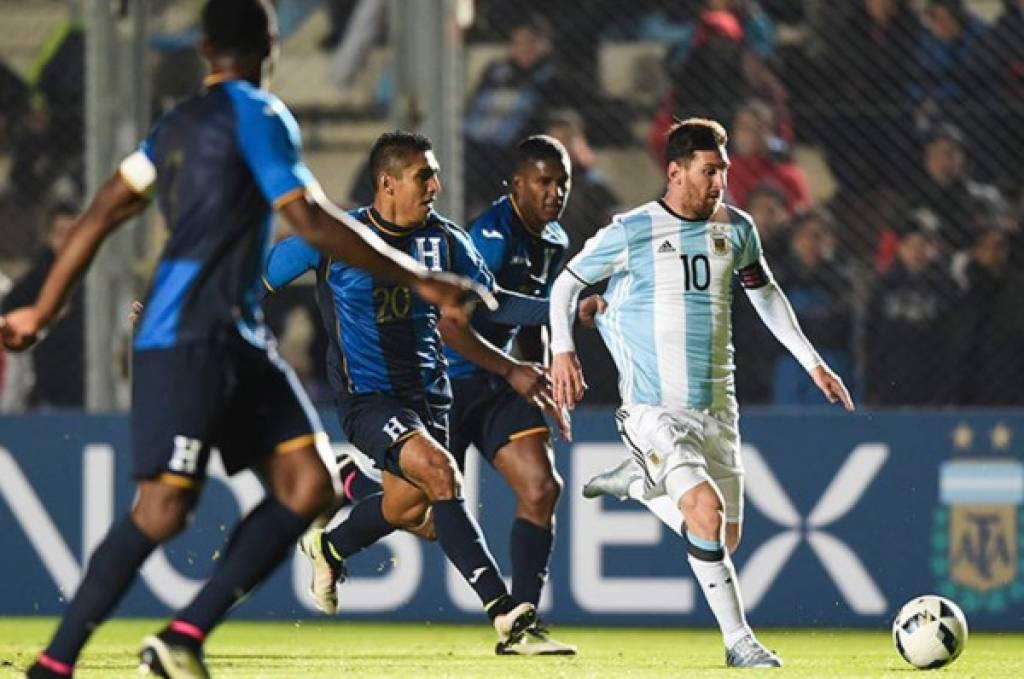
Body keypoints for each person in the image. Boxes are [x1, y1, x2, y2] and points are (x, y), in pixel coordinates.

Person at [5, 3, 490, 678]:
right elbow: (311, 220)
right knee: (164, 508)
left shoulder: (170, 127)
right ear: (271, 46)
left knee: (309, 484)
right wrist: (423, 279)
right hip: (187, 336)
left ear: (204, 47)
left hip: (232, 335)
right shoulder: (260, 115)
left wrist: (41, 308)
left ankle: (182, 636)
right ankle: (55, 663)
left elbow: (104, 209)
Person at [548, 118, 854, 669]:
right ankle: (740, 642)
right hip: (653, 408)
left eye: (724, 171)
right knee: (705, 514)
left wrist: (811, 362)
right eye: (709, 171)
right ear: (675, 171)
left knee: (722, 539)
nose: (720, 181)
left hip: (719, 406)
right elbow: (567, 284)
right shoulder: (632, 229)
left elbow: (765, 294)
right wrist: (562, 349)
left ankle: (643, 485)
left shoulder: (736, 229)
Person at [265, 131, 568, 655]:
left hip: (433, 398)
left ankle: (328, 546)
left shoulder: (448, 239)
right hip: (368, 400)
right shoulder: (335, 236)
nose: (436, 185)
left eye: (435, 175)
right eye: (424, 176)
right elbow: (257, 279)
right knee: (440, 474)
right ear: (387, 182)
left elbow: (490, 307)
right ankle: (506, 615)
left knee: (406, 510)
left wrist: (564, 310)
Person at [0, 202, 85, 408]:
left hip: (90, 387)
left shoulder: (92, 277)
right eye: (60, 233)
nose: (66, 241)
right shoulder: (38, 279)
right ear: (49, 236)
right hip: (48, 387)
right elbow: (9, 312)